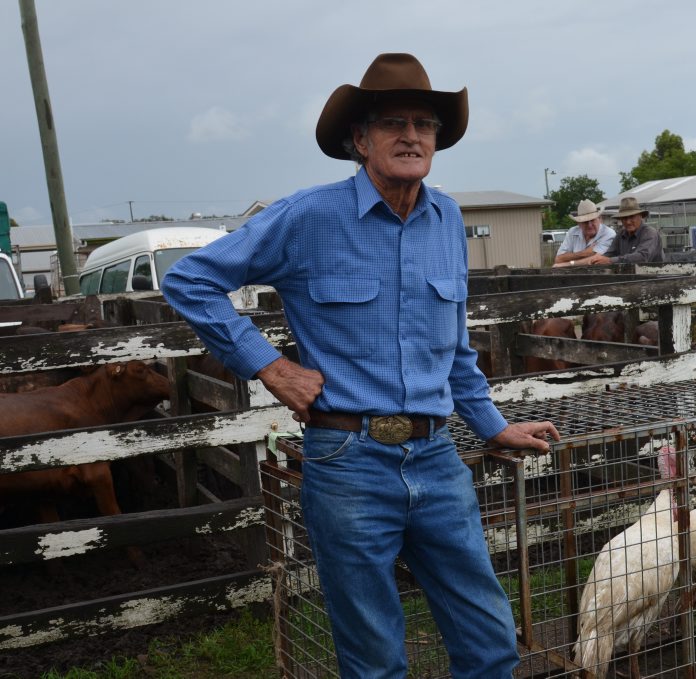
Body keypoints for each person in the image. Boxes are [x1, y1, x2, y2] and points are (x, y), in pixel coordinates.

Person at [161, 53, 559, 679]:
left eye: (424, 124)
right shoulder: (308, 216)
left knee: (490, 644)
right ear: (360, 139)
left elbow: (452, 345)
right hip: (347, 460)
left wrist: (490, 425)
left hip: (436, 457)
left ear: (436, 140)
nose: (411, 136)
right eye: (393, 122)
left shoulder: (446, 217)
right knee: (373, 661)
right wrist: (269, 366)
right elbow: (190, 280)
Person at [586, 196, 664, 264]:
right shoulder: (621, 234)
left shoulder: (649, 233)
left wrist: (610, 260)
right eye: (624, 218)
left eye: (632, 217)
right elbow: (610, 253)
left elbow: (642, 257)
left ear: (640, 216)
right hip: (630, 277)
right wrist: (597, 260)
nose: (628, 222)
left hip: (654, 277)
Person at [552, 198, 616, 267]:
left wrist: (568, 263)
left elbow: (596, 260)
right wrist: (584, 253)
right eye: (585, 222)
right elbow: (558, 259)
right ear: (579, 223)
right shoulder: (573, 231)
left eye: (592, 220)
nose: (589, 225)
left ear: (600, 219)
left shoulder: (609, 233)